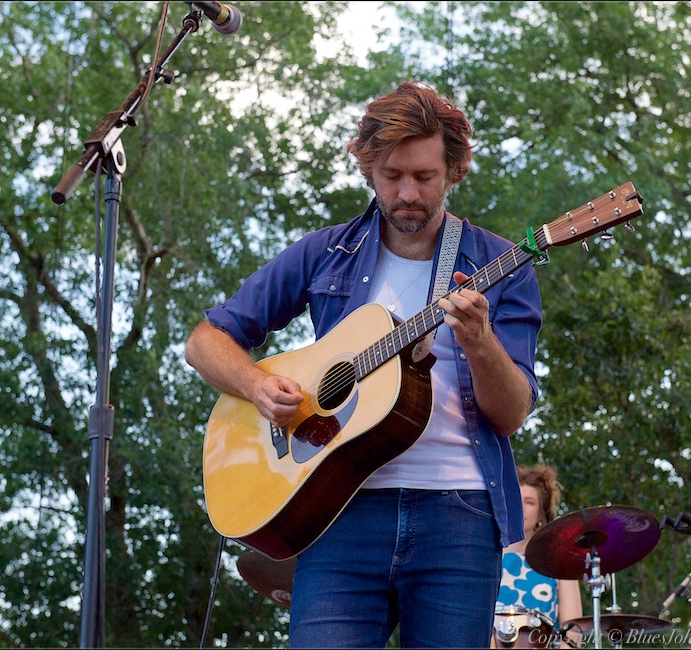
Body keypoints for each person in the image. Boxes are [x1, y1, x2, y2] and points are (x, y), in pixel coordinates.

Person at [184, 81, 543, 648]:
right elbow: (206, 341)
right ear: (367, 170)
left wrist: (478, 340)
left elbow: (512, 413)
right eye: (391, 176)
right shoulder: (325, 252)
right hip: (337, 510)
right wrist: (255, 384)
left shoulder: (503, 265)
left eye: (424, 177)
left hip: (460, 514)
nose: (406, 193)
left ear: (454, 171)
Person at [495, 464, 583, 648]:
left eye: (529, 502)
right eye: (516, 500)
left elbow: (574, 631)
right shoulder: (487, 559)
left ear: (541, 514)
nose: (521, 507)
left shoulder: (558, 562)